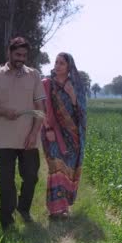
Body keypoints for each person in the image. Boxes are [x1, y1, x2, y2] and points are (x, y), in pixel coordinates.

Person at [0, 37, 46, 230]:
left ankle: (24, 209)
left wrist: (33, 134)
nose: (21, 58)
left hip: (28, 138)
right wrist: (4, 112)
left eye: (24, 55)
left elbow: (40, 108)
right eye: (18, 54)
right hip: (3, 138)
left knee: (31, 176)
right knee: (6, 181)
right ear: (9, 53)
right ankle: (7, 221)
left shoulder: (34, 75)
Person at [41, 53, 87, 219]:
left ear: (69, 67)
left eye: (62, 63)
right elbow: (42, 109)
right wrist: (48, 130)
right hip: (53, 133)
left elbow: (81, 113)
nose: (58, 65)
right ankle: (55, 209)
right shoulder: (47, 84)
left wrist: (73, 96)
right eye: (56, 62)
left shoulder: (76, 85)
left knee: (68, 170)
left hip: (72, 135)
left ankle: (64, 206)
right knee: (56, 167)